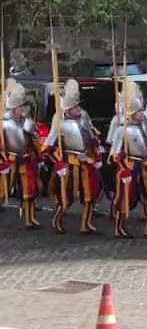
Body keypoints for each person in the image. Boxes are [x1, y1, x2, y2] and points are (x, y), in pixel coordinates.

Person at [44, 79, 102, 235]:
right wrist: (58, 164)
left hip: (86, 160)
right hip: (70, 162)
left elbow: (91, 138)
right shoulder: (60, 123)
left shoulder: (83, 118)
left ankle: (86, 224)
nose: (79, 108)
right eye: (75, 106)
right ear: (69, 109)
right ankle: (57, 220)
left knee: (91, 194)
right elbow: (49, 145)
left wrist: (97, 154)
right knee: (68, 195)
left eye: (78, 105)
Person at [111, 80, 147, 238]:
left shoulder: (144, 127)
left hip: (146, 165)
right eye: (139, 111)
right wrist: (123, 168)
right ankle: (119, 227)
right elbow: (115, 153)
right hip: (130, 166)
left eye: (142, 110)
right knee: (125, 199)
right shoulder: (122, 130)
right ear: (133, 112)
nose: (142, 113)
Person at [2, 79, 41, 228]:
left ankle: (29, 219)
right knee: (2, 191)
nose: (24, 108)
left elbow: (34, 142)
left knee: (29, 191)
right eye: (21, 105)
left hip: (25, 160)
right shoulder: (4, 124)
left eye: (24, 105)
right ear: (14, 108)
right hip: (9, 160)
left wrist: (37, 153)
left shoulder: (28, 123)